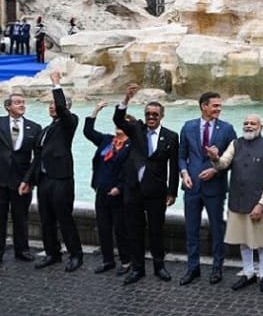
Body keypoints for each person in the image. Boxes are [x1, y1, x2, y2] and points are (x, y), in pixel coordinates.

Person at [113, 83, 179, 285]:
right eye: (148, 113)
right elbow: (117, 119)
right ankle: (137, 268)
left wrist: (172, 192)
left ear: (161, 116)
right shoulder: (135, 129)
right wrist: (126, 99)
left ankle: (159, 266)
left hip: (156, 192)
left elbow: (174, 166)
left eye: (155, 114)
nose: (151, 117)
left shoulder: (171, 136)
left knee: (157, 230)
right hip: (133, 190)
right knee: (134, 230)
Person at [208, 114, 263, 293]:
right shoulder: (235, 143)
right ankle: (248, 272)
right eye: (246, 123)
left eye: (253, 123)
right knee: (243, 239)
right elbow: (223, 164)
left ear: (261, 127)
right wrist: (215, 158)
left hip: (259, 203)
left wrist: (262, 203)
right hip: (237, 201)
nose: (248, 126)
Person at [21, 70, 83, 272]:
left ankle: (75, 255)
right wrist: (28, 180)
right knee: (46, 219)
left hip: (62, 180)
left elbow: (63, 109)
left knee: (65, 218)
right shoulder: (45, 130)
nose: (52, 107)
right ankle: (52, 253)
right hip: (45, 180)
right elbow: (37, 158)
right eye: (49, 105)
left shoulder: (69, 122)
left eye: (55, 105)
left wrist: (56, 84)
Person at [177, 91, 237, 286]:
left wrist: (215, 169)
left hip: (215, 187)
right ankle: (192, 268)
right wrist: (184, 173)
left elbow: (233, 159)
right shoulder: (188, 127)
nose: (219, 109)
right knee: (191, 229)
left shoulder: (227, 129)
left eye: (220, 106)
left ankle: (217, 268)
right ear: (204, 106)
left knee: (217, 229)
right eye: (215, 106)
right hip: (191, 186)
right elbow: (181, 156)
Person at [83, 101, 132, 275]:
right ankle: (107, 260)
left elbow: (130, 171)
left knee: (120, 229)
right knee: (103, 227)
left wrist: (119, 187)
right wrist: (95, 110)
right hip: (102, 191)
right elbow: (88, 132)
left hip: (119, 194)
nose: (119, 127)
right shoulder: (106, 140)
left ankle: (126, 261)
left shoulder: (131, 145)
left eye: (123, 123)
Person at [0, 93, 41, 262]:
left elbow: (37, 158)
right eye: (17, 103)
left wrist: (29, 180)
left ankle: (22, 250)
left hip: (22, 181)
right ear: (8, 106)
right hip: (0, 179)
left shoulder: (35, 127)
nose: (22, 105)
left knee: (21, 218)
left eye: (23, 102)